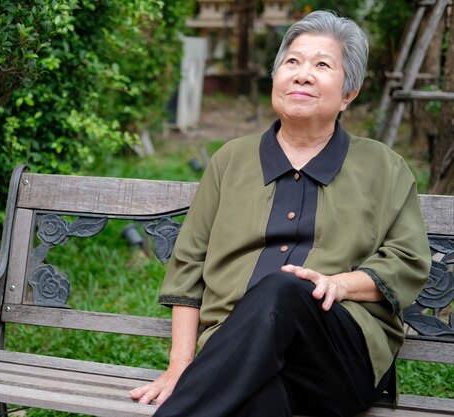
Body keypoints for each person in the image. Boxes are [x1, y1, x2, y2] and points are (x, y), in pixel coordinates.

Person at [129, 10, 431, 417]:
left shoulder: (384, 167)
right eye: (292, 62)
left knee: (281, 288)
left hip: (337, 357)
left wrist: (339, 285)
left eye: (322, 65)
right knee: (258, 397)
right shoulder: (230, 160)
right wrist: (180, 366)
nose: (302, 75)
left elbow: (408, 261)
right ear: (275, 78)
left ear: (349, 93)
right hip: (232, 350)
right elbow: (188, 268)